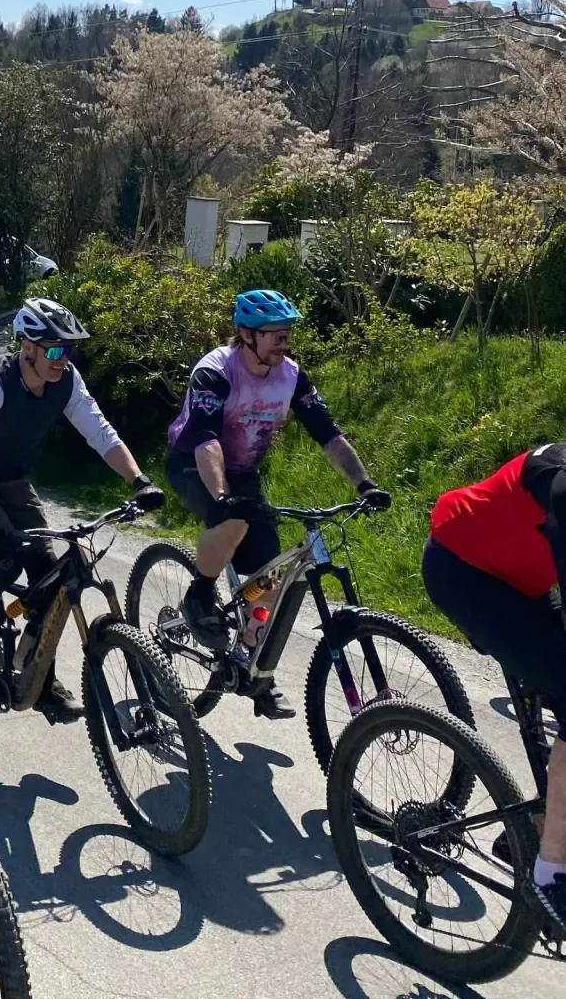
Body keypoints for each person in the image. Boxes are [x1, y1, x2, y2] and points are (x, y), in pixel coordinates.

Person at [0, 297, 164, 725]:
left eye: (68, 350)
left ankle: (41, 682)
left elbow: (99, 431)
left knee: (51, 573)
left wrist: (138, 480)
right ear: (28, 347)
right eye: (55, 349)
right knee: (2, 555)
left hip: (9, 478)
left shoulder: (66, 380)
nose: (63, 358)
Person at [165, 289, 388, 719]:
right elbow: (207, 439)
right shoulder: (215, 372)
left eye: (286, 334)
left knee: (267, 578)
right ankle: (199, 593)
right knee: (232, 523)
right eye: (274, 335)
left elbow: (328, 434)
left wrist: (364, 483)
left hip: (244, 473)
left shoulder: (291, 376)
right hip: (193, 462)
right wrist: (223, 496)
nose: (283, 343)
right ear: (245, 335)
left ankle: (255, 669)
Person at [422, 446, 566, 935]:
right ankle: (551, 876)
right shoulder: (562, 484)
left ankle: (533, 826)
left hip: (516, 577)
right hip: (464, 571)